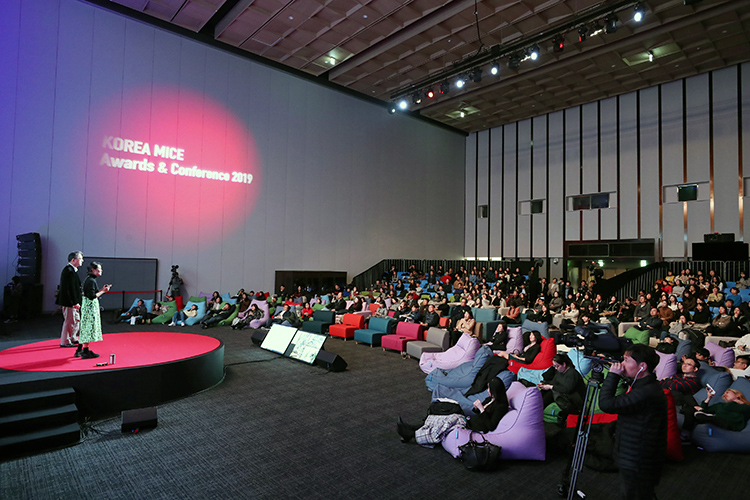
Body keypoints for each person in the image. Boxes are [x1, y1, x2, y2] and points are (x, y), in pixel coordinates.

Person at [598, 344, 667, 500]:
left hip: (638, 459)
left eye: (627, 361)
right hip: (635, 454)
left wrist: (613, 375)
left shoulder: (646, 392)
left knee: (635, 495)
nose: (622, 364)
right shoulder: (645, 386)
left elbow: (606, 404)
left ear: (642, 367)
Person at [396, 378, 509, 446]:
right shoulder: (491, 399)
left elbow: (490, 425)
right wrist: (476, 408)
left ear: (495, 391)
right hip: (469, 421)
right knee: (440, 418)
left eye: (490, 389)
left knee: (445, 424)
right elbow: (478, 413)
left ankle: (411, 434)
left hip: (474, 427)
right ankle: (411, 428)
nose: (488, 391)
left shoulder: (500, 406)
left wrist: (482, 409)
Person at [76, 262, 111, 359]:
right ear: (93, 270)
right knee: (87, 328)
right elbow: (92, 296)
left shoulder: (89, 280)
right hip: (89, 308)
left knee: (85, 328)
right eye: (99, 269)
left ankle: (80, 349)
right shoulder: (91, 281)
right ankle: (85, 351)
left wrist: (101, 290)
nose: (101, 271)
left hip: (88, 306)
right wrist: (103, 291)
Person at [535, 353, 585, 420]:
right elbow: (554, 382)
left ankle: (536, 414)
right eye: (554, 366)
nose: (555, 368)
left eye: (557, 366)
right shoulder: (560, 372)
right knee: (543, 393)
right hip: (563, 393)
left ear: (564, 364)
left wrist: (550, 387)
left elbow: (567, 389)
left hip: (573, 399)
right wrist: (544, 385)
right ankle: (534, 411)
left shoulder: (572, 373)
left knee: (549, 393)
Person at [681, 388, 750, 434]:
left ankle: (709, 418)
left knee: (712, 417)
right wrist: (708, 398)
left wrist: (737, 401)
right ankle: (685, 433)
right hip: (713, 419)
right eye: (724, 394)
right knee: (690, 408)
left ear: (737, 395)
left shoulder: (745, 406)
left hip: (729, 424)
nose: (725, 394)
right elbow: (705, 409)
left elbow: (728, 407)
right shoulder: (720, 405)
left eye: (727, 392)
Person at [56, 251, 84, 348]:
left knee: (76, 320)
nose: (82, 261)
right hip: (70, 302)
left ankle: (73, 337)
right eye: (80, 258)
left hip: (73, 301)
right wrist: (74, 302)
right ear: (73, 260)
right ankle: (65, 341)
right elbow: (69, 289)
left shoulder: (72, 270)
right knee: (69, 321)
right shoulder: (68, 271)